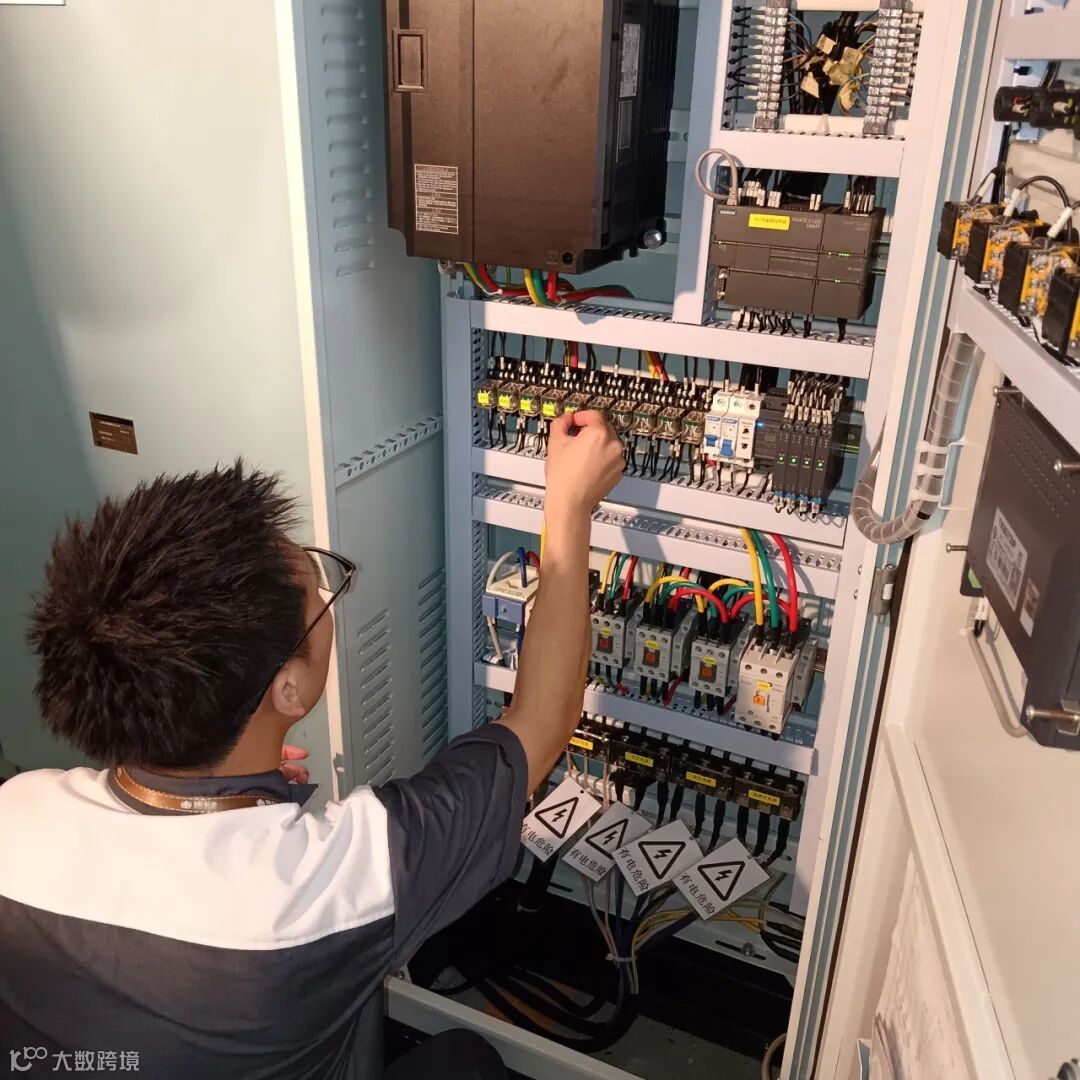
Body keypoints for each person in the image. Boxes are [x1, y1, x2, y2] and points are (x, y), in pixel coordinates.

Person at [0, 410, 624, 1080]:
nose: (328, 597)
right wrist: (570, 505)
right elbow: (543, 721)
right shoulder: (324, 890)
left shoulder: (18, 811)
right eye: (318, 593)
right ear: (289, 688)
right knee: (470, 1063)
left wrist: (239, 794)